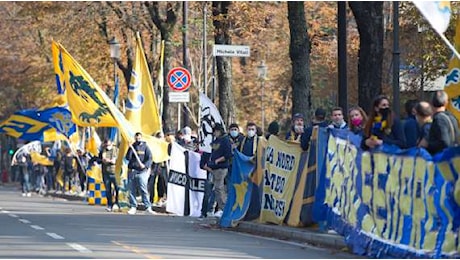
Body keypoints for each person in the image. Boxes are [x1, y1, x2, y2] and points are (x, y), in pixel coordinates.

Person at [203, 123, 232, 218]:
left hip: (221, 167)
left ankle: (223, 208)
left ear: (218, 131)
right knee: (217, 189)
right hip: (214, 168)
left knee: (219, 188)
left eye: (215, 132)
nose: (214, 134)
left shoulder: (225, 140)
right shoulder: (217, 140)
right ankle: (221, 207)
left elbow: (228, 154)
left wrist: (217, 161)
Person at [125, 132, 156, 215]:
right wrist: (130, 148)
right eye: (136, 138)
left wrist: (145, 166)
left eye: (139, 138)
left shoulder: (145, 147)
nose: (137, 139)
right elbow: (127, 158)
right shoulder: (133, 146)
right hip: (132, 170)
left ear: (141, 138)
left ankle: (148, 207)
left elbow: (149, 158)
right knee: (132, 189)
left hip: (142, 171)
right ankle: (133, 206)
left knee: (143, 188)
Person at [99, 139, 119, 212]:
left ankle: (117, 203)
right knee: (108, 190)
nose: (107, 147)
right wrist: (103, 160)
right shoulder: (103, 151)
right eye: (106, 145)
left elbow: (118, 159)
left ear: (112, 144)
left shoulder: (116, 150)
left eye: (108, 145)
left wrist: (113, 161)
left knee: (117, 188)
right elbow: (100, 159)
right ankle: (109, 204)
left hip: (115, 172)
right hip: (105, 172)